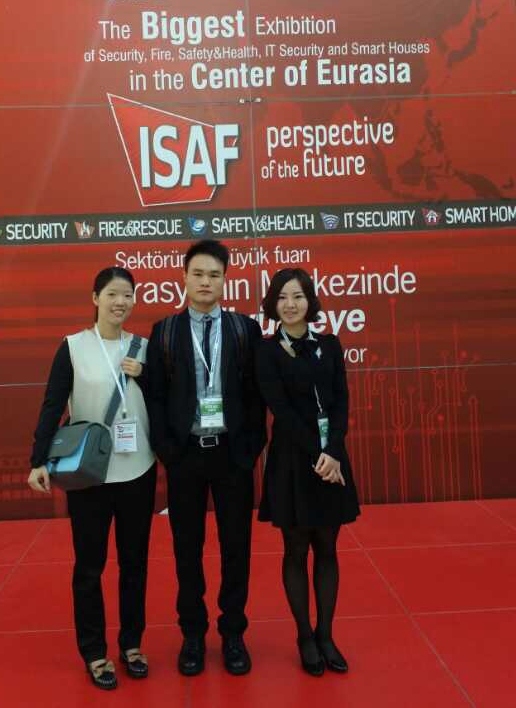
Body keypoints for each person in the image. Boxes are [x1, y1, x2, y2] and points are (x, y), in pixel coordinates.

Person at [27, 267, 156, 691]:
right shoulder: (73, 347)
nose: (121, 302)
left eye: (128, 295)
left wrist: (147, 375)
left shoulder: (144, 347)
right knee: (89, 566)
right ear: (95, 298)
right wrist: (38, 460)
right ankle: (94, 651)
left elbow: (163, 401)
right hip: (89, 475)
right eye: (112, 294)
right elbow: (52, 404)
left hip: (138, 470)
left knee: (135, 563)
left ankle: (132, 643)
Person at [146, 239, 266, 676]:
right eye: (197, 274)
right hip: (186, 457)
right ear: (183, 277)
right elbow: (156, 396)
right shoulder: (165, 331)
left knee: (237, 548)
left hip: (232, 456)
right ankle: (192, 634)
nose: (205, 282)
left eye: (214, 275)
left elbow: (256, 394)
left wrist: (249, 448)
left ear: (225, 280)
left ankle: (233, 633)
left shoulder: (243, 330)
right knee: (187, 549)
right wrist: (169, 451)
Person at [256, 268, 360, 676]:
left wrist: (333, 451)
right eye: (282, 297)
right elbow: (279, 409)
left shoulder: (329, 345)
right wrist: (319, 454)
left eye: (297, 296)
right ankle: (304, 637)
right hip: (292, 461)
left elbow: (341, 402)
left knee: (328, 547)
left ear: (310, 301)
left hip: (331, 458)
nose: (290, 304)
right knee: (296, 549)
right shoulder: (267, 350)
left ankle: (326, 634)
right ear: (273, 304)